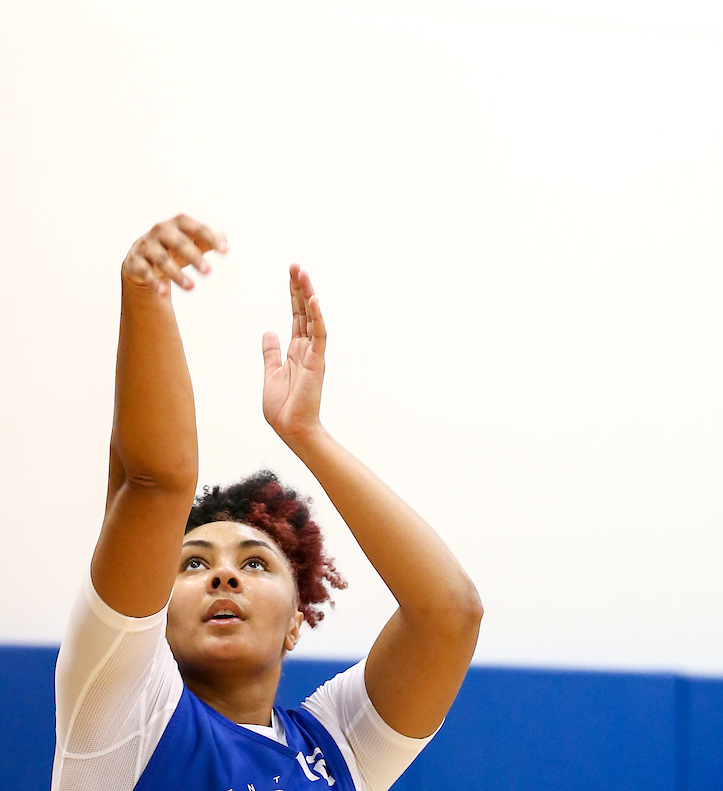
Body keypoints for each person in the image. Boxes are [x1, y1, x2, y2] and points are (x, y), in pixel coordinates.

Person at [51, 215, 482, 791]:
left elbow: (451, 615)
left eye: (254, 562)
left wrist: (309, 435)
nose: (223, 576)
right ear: (157, 608)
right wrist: (145, 292)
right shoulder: (123, 716)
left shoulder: (338, 750)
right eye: (193, 562)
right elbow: (155, 481)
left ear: (297, 621)